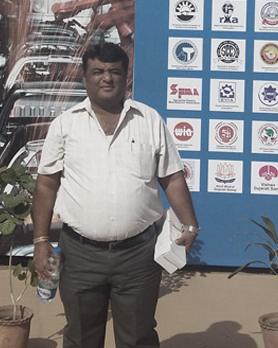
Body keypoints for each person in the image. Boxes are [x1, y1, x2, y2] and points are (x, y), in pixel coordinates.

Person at [32, 42, 200, 348]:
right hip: (80, 255)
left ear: (126, 77)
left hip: (138, 255)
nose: (107, 78)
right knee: (81, 337)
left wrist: (190, 224)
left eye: (115, 71)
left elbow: (172, 177)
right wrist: (41, 240)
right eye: (98, 71)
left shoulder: (150, 121)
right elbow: (46, 185)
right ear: (85, 77)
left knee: (138, 337)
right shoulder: (65, 125)